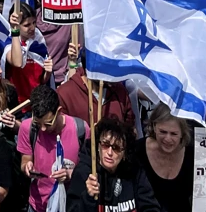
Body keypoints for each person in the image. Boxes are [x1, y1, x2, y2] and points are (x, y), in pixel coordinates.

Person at [66, 117, 159, 212]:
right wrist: (88, 197)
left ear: (125, 152)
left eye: (116, 148)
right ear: (98, 146)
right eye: (105, 145)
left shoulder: (135, 171)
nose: (110, 152)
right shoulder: (85, 173)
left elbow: (150, 207)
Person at [17, 84, 83, 212]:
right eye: (37, 123)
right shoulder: (27, 128)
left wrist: (71, 174)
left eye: (48, 123)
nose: (42, 129)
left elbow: (89, 169)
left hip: (71, 205)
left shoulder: (79, 129)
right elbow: (25, 160)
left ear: (59, 111)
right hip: (38, 205)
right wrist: (27, 167)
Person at [135, 105, 194, 212]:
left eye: (174, 134)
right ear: (154, 126)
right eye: (162, 132)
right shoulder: (136, 151)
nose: (167, 138)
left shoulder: (192, 155)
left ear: (182, 133)